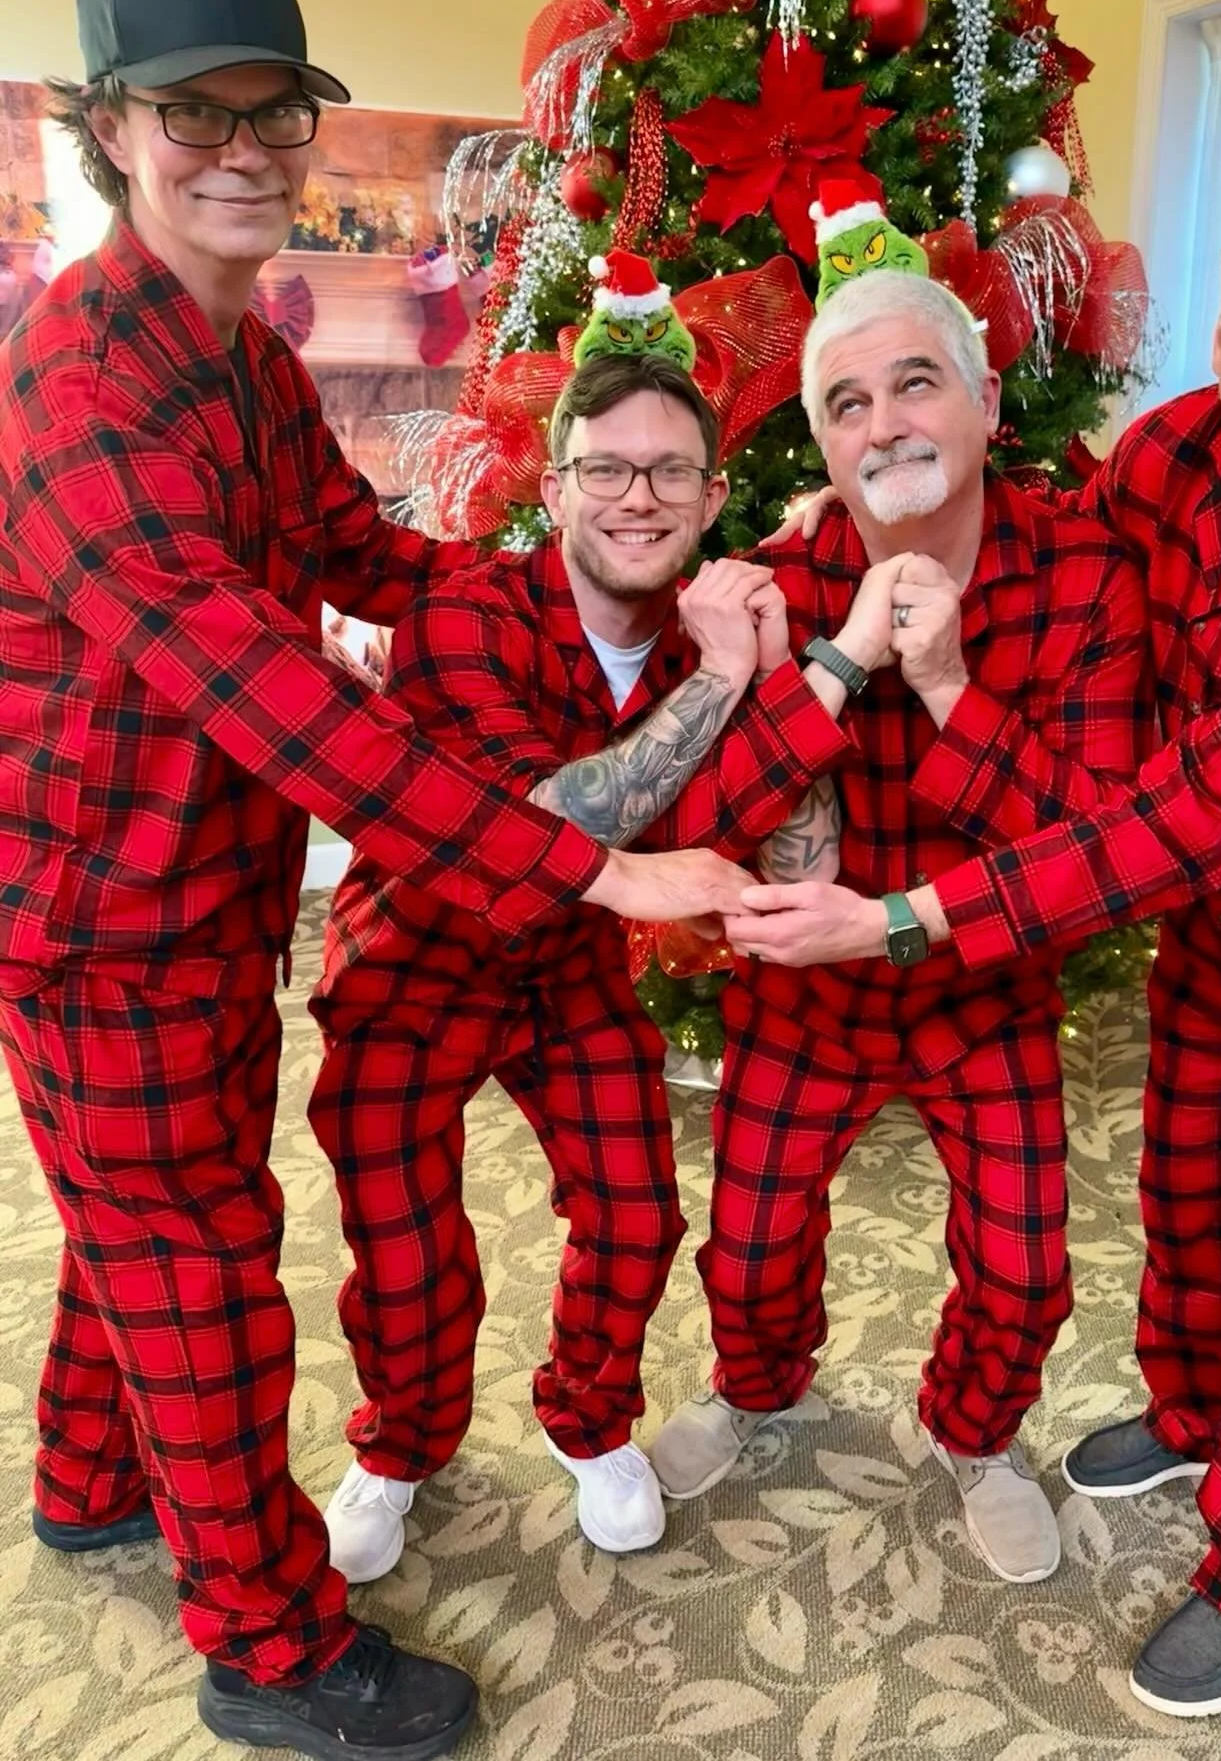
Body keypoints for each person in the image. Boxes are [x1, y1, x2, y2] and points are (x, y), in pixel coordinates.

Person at [0, 0, 745, 1761]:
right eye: (196, 116)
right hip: (96, 923)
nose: (245, 150)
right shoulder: (77, 396)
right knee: (197, 1259)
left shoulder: (244, 352)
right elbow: (272, 692)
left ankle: (87, 1478)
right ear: (110, 129)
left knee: (137, 1226)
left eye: (278, 112)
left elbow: (369, 559)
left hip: (209, 896)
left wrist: (593, 566)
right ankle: (265, 1643)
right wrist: (592, 864)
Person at [728, 164, 1221, 1717]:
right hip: (1216, 933)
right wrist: (857, 492)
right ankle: (1190, 1408)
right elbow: (1016, 519)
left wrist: (900, 920)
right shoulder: (1178, 450)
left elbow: (1158, 828)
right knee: (1185, 1194)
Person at [648, 257, 1154, 1587]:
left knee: (1029, 1263)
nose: (884, 427)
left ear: (988, 403)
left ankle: (976, 1435)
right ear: (820, 442)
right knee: (748, 1247)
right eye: (847, 404)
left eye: (914, 384)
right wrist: (843, 661)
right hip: (803, 1002)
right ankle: (755, 1389)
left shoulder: (1088, 576)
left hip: (983, 982)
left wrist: (945, 687)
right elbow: (711, 815)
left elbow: (1098, 840)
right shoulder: (771, 582)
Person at [309, 351, 851, 1575]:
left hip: (567, 973)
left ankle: (588, 1416)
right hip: (414, 957)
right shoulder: (464, 613)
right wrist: (721, 677)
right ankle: (399, 1446)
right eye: (606, 469)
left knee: (636, 1212)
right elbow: (551, 821)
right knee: (402, 1246)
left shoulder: (717, 620)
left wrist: (793, 616)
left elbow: (797, 832)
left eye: (669, 472)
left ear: (715, 498)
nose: (637, 498)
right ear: (554, 489)